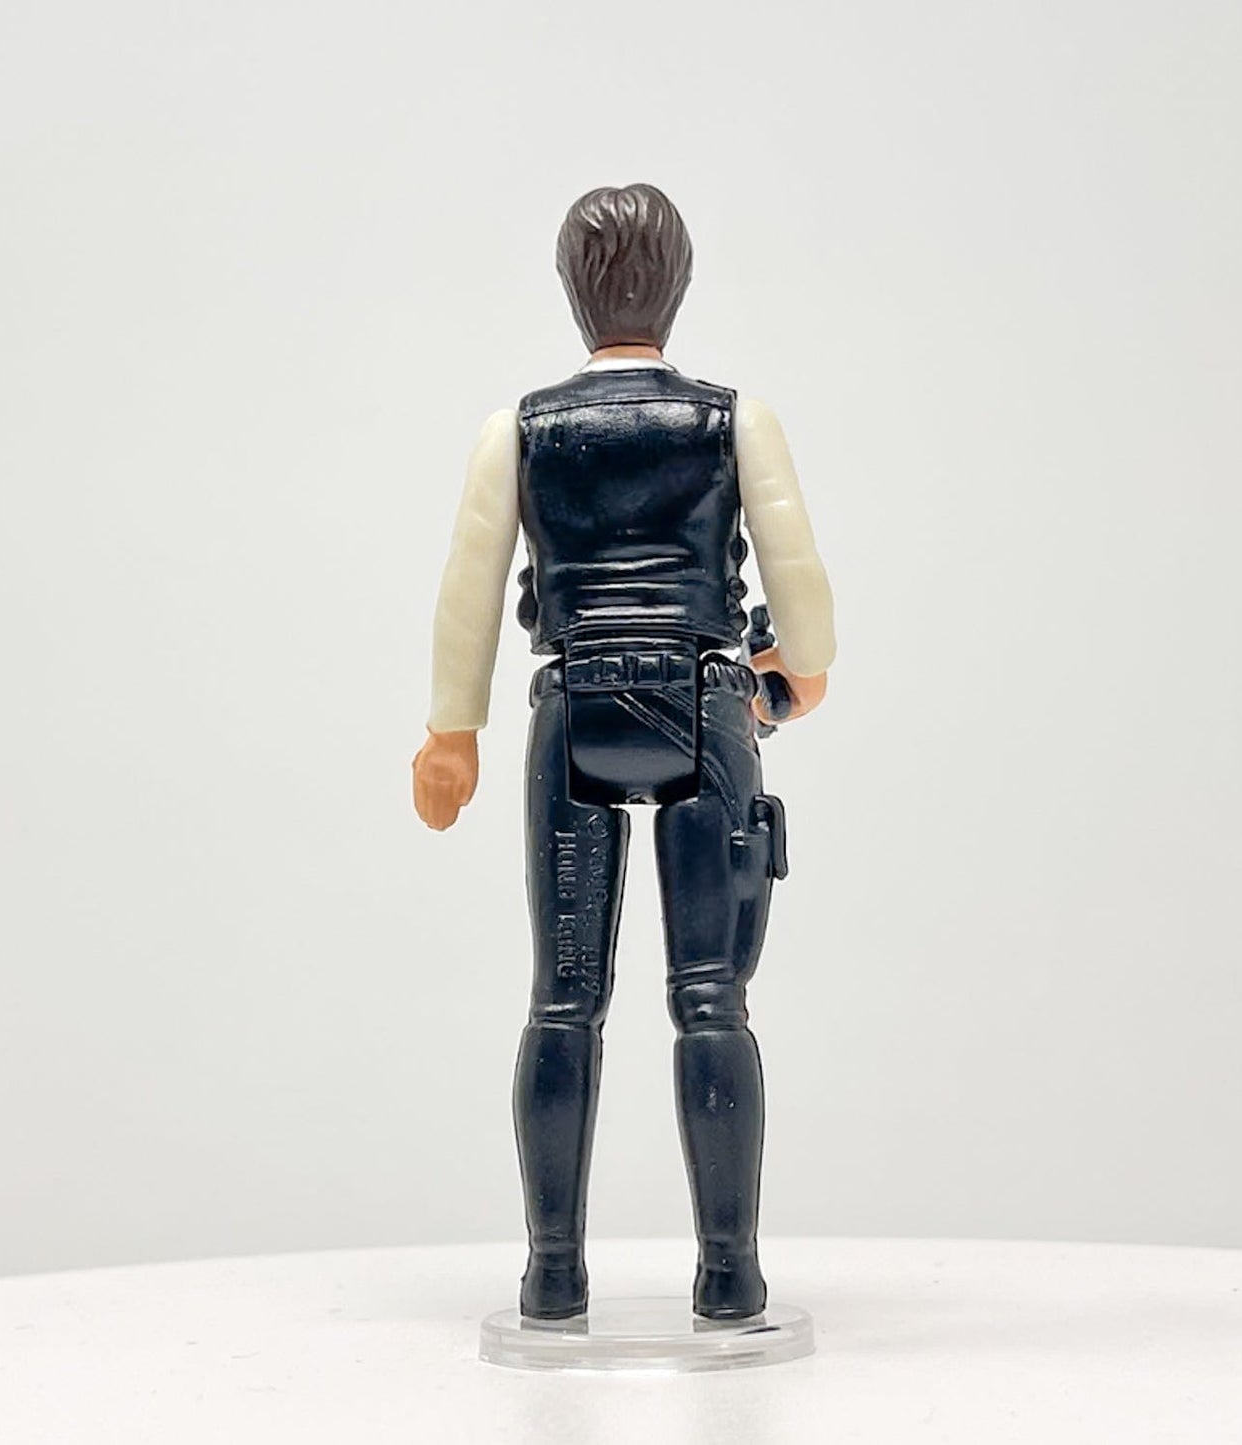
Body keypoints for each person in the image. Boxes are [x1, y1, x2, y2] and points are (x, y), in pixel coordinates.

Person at [411, 184, 835, 1321]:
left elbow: (467, 588)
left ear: (571, 291)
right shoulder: (732, 418)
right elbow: (795, 574)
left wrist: (452, 731)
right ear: (678, 284)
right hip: (703, 702)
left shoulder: (518, 428)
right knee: (712, 1001)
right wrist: (801, 667)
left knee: (562, 1001)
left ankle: (552, 1274)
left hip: (572, 710)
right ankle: (729, 1274)